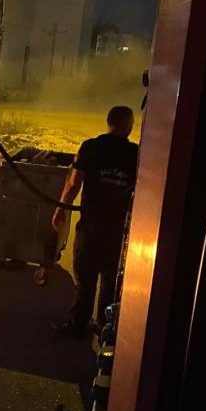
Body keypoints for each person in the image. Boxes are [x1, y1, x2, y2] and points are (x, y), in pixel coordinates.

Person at [51, 105, 139, 339]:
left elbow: (73, 185)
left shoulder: (90, 147)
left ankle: (78, 324)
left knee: (85, 277)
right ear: (128, 126)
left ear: (108, 122)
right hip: (117, 230)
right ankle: (105, 327)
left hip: (91, 227)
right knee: (111, 279)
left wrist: (60, 210)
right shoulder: (136, 154)